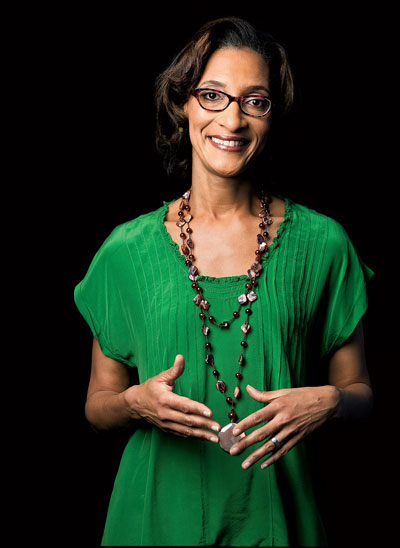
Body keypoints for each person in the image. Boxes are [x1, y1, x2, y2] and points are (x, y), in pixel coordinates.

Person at [74, 17, 374, 546]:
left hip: (281, 524)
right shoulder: (125, 251)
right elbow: (99, 406)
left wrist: (330, 401)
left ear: (272, 116)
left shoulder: (324, 244)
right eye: (212, 95)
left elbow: (361, 396)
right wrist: (135, 403)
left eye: (254, 101)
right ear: (183, 105)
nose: (232, 120)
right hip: (153, 524)